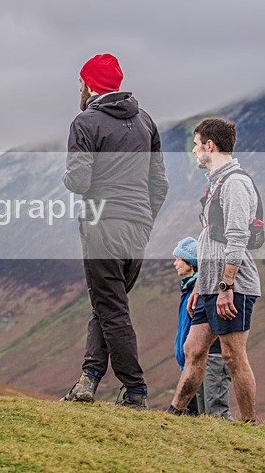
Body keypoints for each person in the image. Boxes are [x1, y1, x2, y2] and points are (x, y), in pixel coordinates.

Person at [61, 53, 168, 408]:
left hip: (102, 226)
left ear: (90, 85)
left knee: (112, 309)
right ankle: (88, 379)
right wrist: (144, 220)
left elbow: (79, 181)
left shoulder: (85, 122)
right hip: (137, 228)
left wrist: (66, 175)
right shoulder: (146, 121)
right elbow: (159, 184)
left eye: (81, 82)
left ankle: (136, 390)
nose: (79, 89)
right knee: (107, 304)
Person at [168, 118, 260, 424]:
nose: (194, 151)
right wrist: (200, 286)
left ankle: (249, 425)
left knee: (233, 356)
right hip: (210, 286)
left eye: (196, 145)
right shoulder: (217, 183)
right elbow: (210, 239)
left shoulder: (235, 183)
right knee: (193, 349)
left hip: (233, 286)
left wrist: (226, 287)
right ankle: (174, 416)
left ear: (210, 145)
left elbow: (238, 237)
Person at [171, 236, 232, 420]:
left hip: (210, 357)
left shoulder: (202, 292)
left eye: (178, 259)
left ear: (191, 263)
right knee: (200, 415)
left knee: (214, 412)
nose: (175, 263)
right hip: (193, 360)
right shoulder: (188, 291)